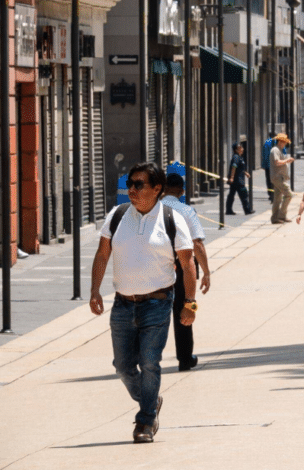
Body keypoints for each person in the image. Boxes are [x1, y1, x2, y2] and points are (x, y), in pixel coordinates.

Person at [89, 162, 197, 443]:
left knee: (150, 362)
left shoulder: (172, 219)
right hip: (122, 304)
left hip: (157, 303)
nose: (132, 190)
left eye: (139, 184)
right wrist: (94, 290)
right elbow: (102, 255)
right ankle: (151, 400)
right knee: (123, 367)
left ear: (157, 188)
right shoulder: (118, 215)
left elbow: (187, 265)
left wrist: (190, 303)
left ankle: (145, 421)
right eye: (130, 184)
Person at [161, 174, 211, 372]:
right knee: (185, 310)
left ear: (163, 189)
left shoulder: (151, 211)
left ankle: (147, 358)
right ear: (182, 191)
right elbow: (197, 244)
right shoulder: (187, 211)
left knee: (152, 312)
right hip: (183, 268)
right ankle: (184, 358)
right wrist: (206, 272)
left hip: (157, 267)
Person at [270, 133, 295, 224]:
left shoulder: (280, 150)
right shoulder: (275, 150)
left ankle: (275, 218)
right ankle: (281, 215)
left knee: (277, 198)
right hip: (277, 177)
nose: (285, 144)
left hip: (280, 177)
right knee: (289, 194)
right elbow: (277, 162)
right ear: (280, 141)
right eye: (284, 142)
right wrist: (287, 160)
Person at [226, 143, 253, 215]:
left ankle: (229, 210)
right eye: (240, 148)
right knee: (244, 194)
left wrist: (245, 173)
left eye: (242, 147)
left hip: (237, 179)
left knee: (231, 195)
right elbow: (234, 167)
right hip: (237, 180)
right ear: (236, 150)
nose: (242, 149)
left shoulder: (239, 157)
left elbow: (239, 168)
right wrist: (231, 177)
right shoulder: (236, 157)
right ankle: (247, 210)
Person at [261, 133, 278, 201]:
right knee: (276, 180)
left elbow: (264, 155)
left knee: (269, 180)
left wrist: (263, 165)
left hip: (268, 165)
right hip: (277, 165)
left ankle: (270, 194)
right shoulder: (278, 142)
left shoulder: (266, 142)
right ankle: (276, 193)